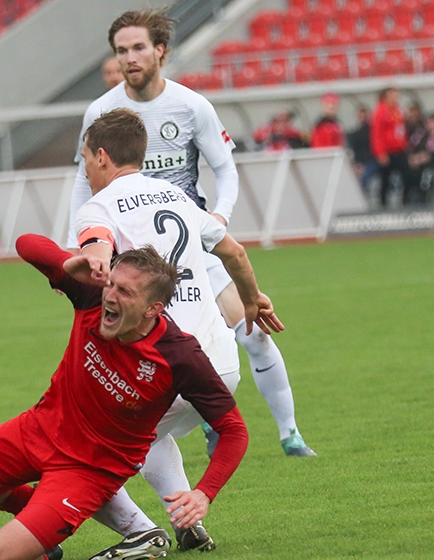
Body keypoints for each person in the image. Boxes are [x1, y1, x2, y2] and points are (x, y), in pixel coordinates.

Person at [0, 234, 270, 560]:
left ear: (153, 309)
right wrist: (69, 263)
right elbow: (26, 243)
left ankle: (44, 544)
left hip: (89, 470)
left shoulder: (180, 356)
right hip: (38, 428)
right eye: (111, 284)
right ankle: (37, 516)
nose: (110, 296)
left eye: (125, 292)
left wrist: (204, 493)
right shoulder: (91, 294)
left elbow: (233, 430)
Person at [66, 9, 315, 462]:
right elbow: (83, 183)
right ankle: (196, 419)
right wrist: (79, 240)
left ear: (160, 50)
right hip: (135, 254)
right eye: (121, 50)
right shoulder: (101, 111)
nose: (129, 58)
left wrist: (219, 216)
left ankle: (290, 433)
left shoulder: (190, 105)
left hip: (191, 241)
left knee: (251, 330)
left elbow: (225, 168)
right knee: (152, 349)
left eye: (138, 47)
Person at [69, 106, 282, 557]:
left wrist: (89, 260)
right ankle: (188, 524)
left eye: (85, 158)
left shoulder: (97, 207)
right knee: (152, 437)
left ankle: (140, 532)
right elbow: (235, 252)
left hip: (161, 365)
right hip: (219, 362)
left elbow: (97, 245)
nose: (85, 169)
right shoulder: (177, 196)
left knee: (73, 448)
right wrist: (250, 299)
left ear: (102, 156)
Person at [370, 86, 409, 208]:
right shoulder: (380, 111)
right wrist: (380, 152)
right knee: (386, 178)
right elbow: (377, 133)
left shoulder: (397, 109)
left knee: (407, 175)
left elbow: (401, 129)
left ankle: (406, 203)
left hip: (399, 150)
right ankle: (383, 205)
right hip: (387, 151)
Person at [346, 106, 378, 197]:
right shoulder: (354, 134)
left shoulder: (374, 132)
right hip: (360, 162)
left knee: (364, 176)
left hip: (372, 161)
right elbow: (352, 151)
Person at [403, 102, 427, 205]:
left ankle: (420, 197)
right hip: (407, 155)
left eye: (415, 110)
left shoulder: (423, 126)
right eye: (411, 111)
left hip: (420, 156)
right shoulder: (404, 125)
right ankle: (406, 199)